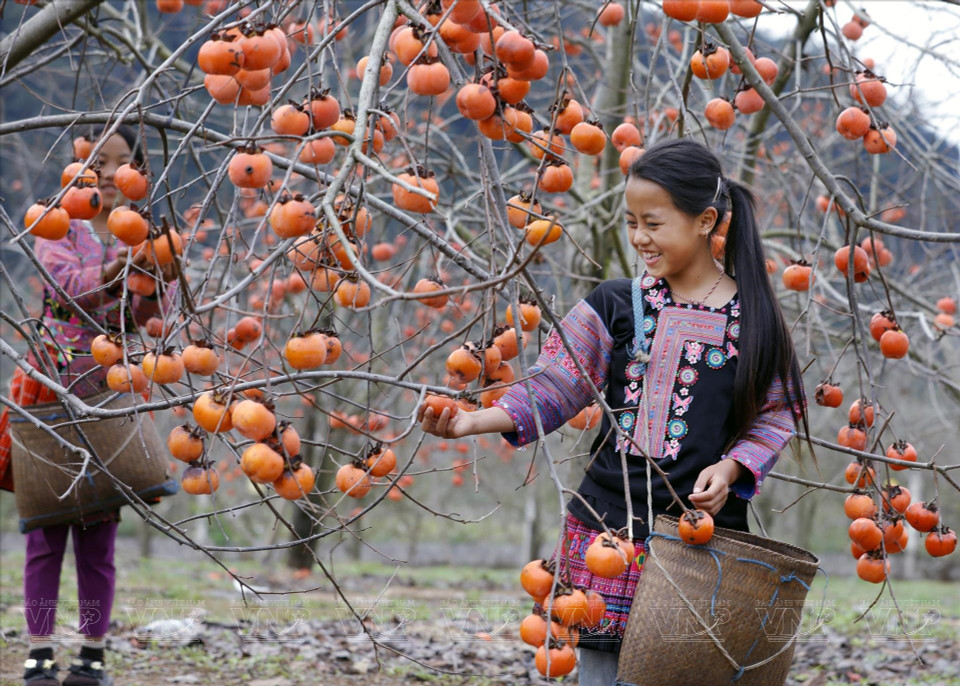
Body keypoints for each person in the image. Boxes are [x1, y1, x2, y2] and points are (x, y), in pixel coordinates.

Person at [418, 138, 809, 685]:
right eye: (631, 223)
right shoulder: (615, 303)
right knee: (601, 671)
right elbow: (557, 384)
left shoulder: (755, 320)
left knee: (688, 673)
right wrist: (474, 420)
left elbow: (778, 411)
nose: (639, 239)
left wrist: (732, 467)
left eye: (653, 223)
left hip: (701, 538)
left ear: (705, 222)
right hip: (607, 528)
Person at [0, 124, 175, 686]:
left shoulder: (141, 235)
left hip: (109, 387)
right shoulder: (59, 222)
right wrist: (124, 270)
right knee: (45, 530)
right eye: (97, 161)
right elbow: (66, 285)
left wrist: (158, 273)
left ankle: (93, 653)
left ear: (137, 174)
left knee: (97, 539)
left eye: (121, 163)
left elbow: (152, 317)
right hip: (50, 386)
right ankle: (39, 651)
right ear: (80, 163)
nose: (107, 174)